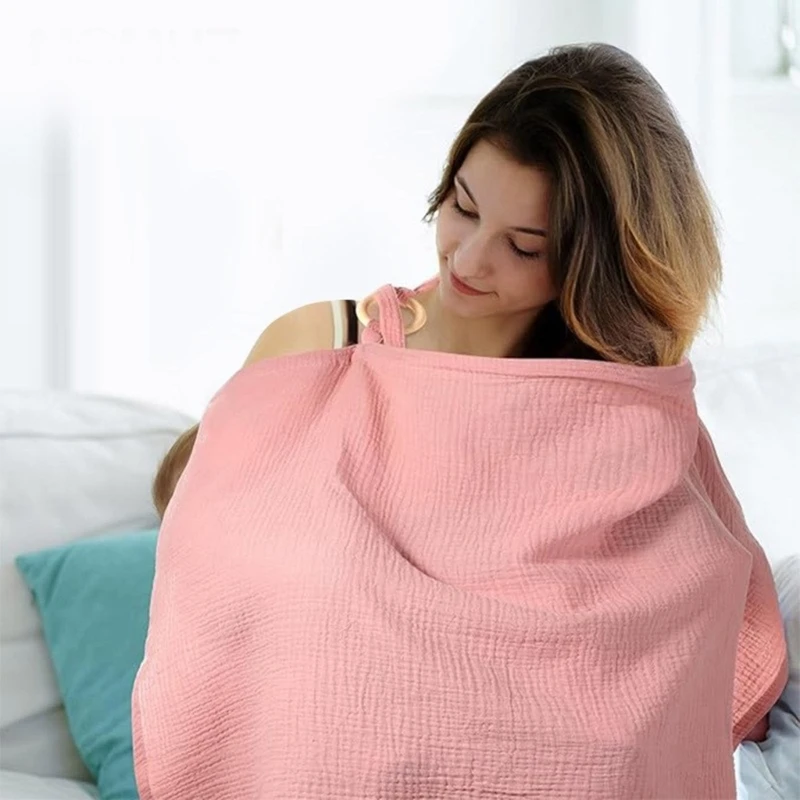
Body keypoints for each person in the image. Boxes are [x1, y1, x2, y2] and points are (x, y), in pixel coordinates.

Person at [135, 43, 787, 799]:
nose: (470, 260)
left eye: (524, 246)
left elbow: (688, 604)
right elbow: (213, 575)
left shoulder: (619, 412)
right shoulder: (324, 350)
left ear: (594, 262)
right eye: (463, 207)